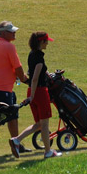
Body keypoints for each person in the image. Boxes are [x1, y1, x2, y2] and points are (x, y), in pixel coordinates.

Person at [10, 31, 61, 159]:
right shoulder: (39, 58)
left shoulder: (31, 54)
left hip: (32, 91)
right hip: (40, 92)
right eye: (46, 41)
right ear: (41, 42)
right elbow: (35, 78)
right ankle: (48, 152)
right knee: (44, 124)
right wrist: (32, 95)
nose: (47, 44)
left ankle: (17, 140)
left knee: (39, 124)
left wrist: (31, 94)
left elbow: (32, 74)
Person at [0, 20, 30, 153]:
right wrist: (26, 80)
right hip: (2, 88)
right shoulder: (9, 47)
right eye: (11, 32)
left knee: (12, 115)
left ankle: (16, 143)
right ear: (4, 33)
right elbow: (18, 68)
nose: (14, 33)